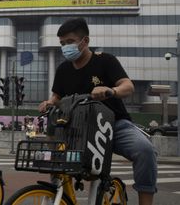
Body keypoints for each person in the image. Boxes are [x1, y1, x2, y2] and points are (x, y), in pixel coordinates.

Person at [39, 18, 157, 205]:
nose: (65, 47)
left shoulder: (105, 61)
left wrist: (111, 91)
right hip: (76, 129)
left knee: (145, 150)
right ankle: (60, 197)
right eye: (62, 44)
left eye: (69, 42)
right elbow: (56, 97)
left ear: (84, 41)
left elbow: (128, 86)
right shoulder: (63, 69)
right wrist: (49, 102)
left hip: (113, 125)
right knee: (54, 157)